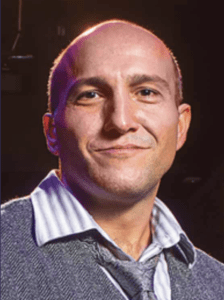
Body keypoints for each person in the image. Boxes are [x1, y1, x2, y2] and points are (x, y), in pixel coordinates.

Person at [1, 19, 224, 300]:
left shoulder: (218, 285)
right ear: (52, 132)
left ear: (181, 127)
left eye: (146, 92)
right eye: (90, 95)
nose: (120, 121)